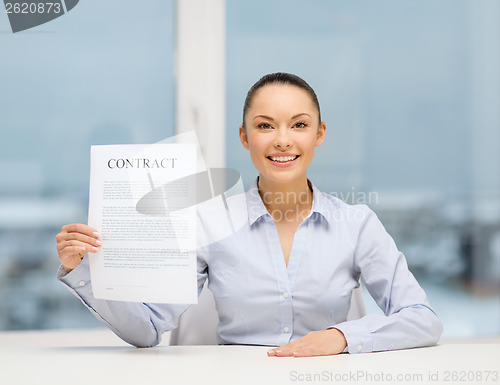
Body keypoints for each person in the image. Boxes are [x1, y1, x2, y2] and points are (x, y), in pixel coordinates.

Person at [56, 72, 443, 357]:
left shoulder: (356, 224)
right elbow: (148, 329)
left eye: (299, 125)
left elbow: (422, 318)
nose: (282, 139)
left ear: (319, 134)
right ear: (244, 137)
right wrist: (83, 270)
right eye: (264, 126)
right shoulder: (210, 224)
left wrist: (341, 338)